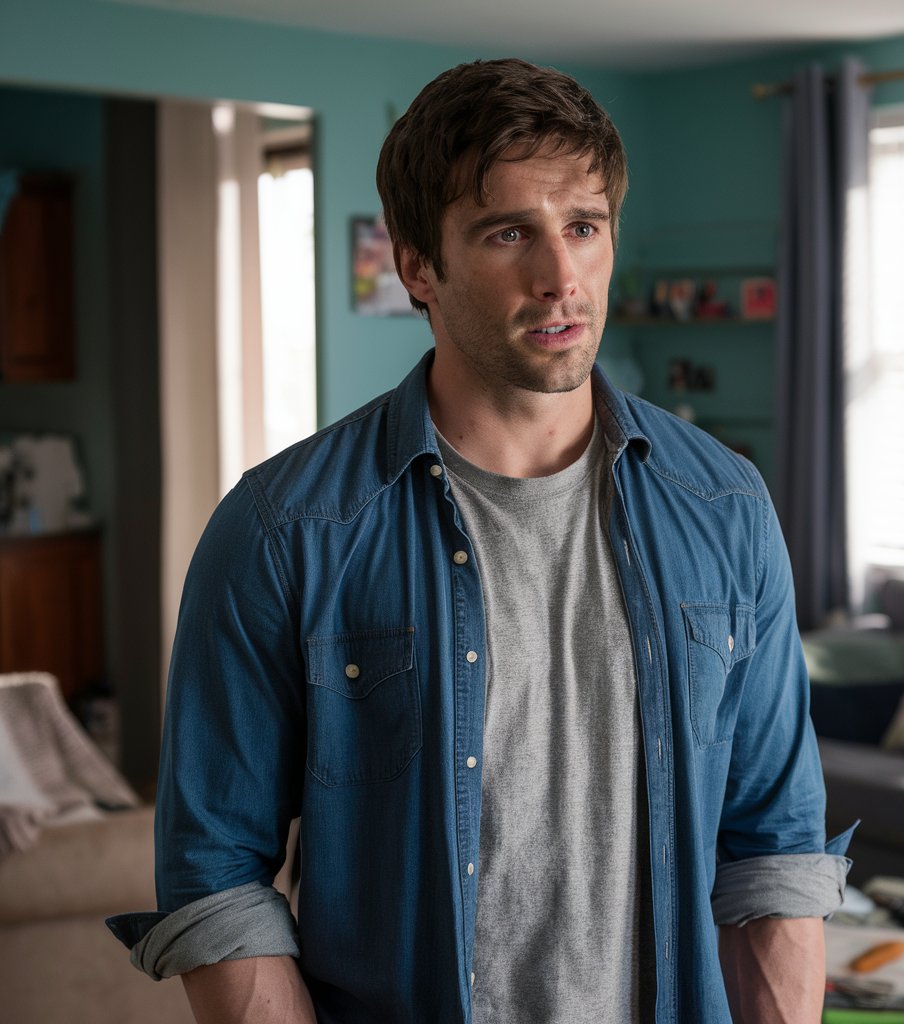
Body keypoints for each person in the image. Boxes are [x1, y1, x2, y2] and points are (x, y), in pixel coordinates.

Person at [108, 57, 852, 1024]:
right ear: (417, 263)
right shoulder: (281, 530)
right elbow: (217, 879)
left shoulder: (725, 504)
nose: (560, 277)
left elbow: (775, 854)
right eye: (509, 233)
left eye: (584, 228)